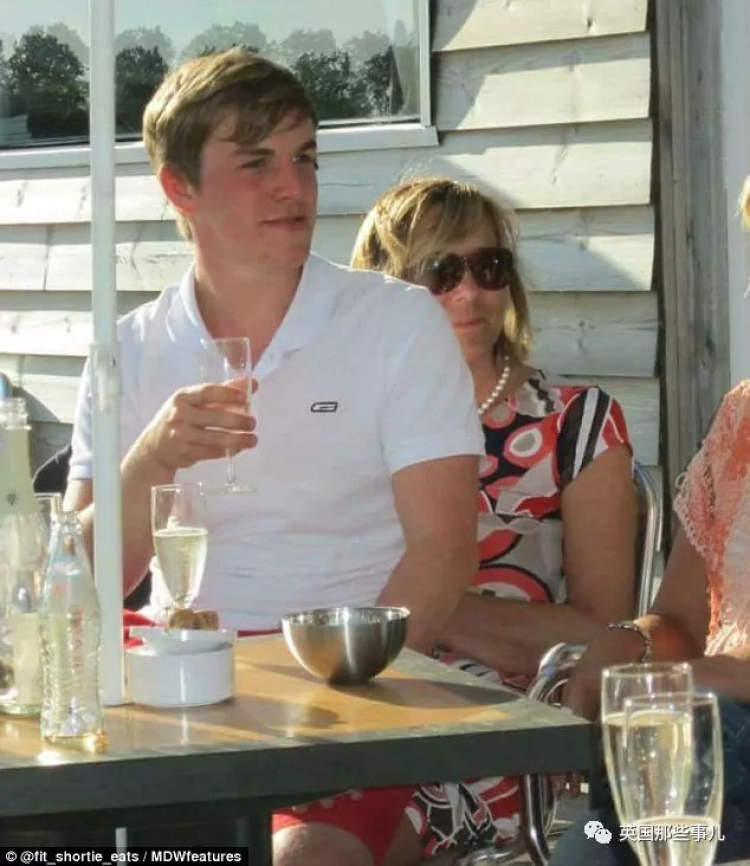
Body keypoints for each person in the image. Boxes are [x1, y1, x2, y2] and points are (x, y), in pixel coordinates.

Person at [64, 50, 485, 865]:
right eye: (257, 163)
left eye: (305, 158)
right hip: (172, 691)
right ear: (179, 188)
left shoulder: (395, 323)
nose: (294, 187)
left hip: (353, 689)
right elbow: (79, 589)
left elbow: (443, 552)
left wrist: (350, 708)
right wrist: (149, 462)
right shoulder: (128, 350)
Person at [348, 177, 637, 858]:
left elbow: (605, 632)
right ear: (384, 292)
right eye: (439, 273)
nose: (469, 293)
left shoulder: (575, 425)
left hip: (501, 718)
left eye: (489, 266)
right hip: (359, 697)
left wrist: (421, 598)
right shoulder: (345, 425)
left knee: (360, 828)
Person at [551, 180, 750, 866]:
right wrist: (626, 645)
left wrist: (699, 677)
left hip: (718, 733)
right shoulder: (742, 420)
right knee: (591, 847)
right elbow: (680, 619)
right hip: (709, 736)